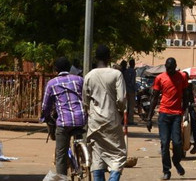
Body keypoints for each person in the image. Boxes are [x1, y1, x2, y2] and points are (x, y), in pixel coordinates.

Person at [83, 45, 127, 181]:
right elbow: (121, 99)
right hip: (112, 119)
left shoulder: (89, 76)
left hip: (95, 121)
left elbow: (85, 101)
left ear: (96, 58)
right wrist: (120, 110)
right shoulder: (116, 74)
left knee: (97, 155)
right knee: (118, 154)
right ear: (109, 58)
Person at [41, 56, 87, 177]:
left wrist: (44, 117)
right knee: (78, 133)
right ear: (69, 68)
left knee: (61, 154)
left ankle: (61, 177)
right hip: (81, 119)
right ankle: (82, 156)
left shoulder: (52, 83)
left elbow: (45, 106)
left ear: (56, 69)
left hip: (64, 122)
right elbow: (86, 97)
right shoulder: (79, 80)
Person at [147, 57, 190, 180]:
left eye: (172, 68)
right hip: (164, 114)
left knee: (177, 142)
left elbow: (186, 95)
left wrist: (186, 111)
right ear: (165, 67)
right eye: (168, 68)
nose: (170, 70)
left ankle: (176, 161)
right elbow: (154, 98)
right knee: (164, 144)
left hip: (177, 114)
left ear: (175, 66)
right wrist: (149, 118)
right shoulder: (160, 78)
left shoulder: (182, 77)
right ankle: (166, 170)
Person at [119, 59, 136, 125]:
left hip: (125, 90)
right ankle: (130, 120)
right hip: (131, 91)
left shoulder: (125, 71)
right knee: (131, 106)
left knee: (125, 106)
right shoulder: (133, 71)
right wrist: (134, 89)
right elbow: (133, 82)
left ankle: (124, 120)